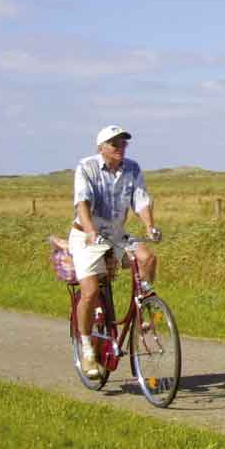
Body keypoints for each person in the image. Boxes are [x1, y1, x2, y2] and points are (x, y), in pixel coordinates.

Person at [68, 125, 160, 379]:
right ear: (101, 148)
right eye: (114, 144)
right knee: (90, 291)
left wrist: (150, 226)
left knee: (147, 258)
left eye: (123, 143)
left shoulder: (132, 168)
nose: (121, 148)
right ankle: (87, 348)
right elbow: (82, 202)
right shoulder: (86, 167)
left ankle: (144, 310)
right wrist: (89, 231)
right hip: (87, 235)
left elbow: (140, 200)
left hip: (116, 233)